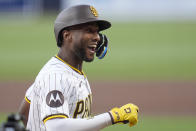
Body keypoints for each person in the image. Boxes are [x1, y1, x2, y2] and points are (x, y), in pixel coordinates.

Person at [18, 4, 139, 131]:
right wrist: (113, 116)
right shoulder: (55, 76)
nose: (97, 37)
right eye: (89, 30)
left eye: (97, 32)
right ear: (67, 35)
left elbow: (24, 112)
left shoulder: (68, 72)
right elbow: (56, 127)